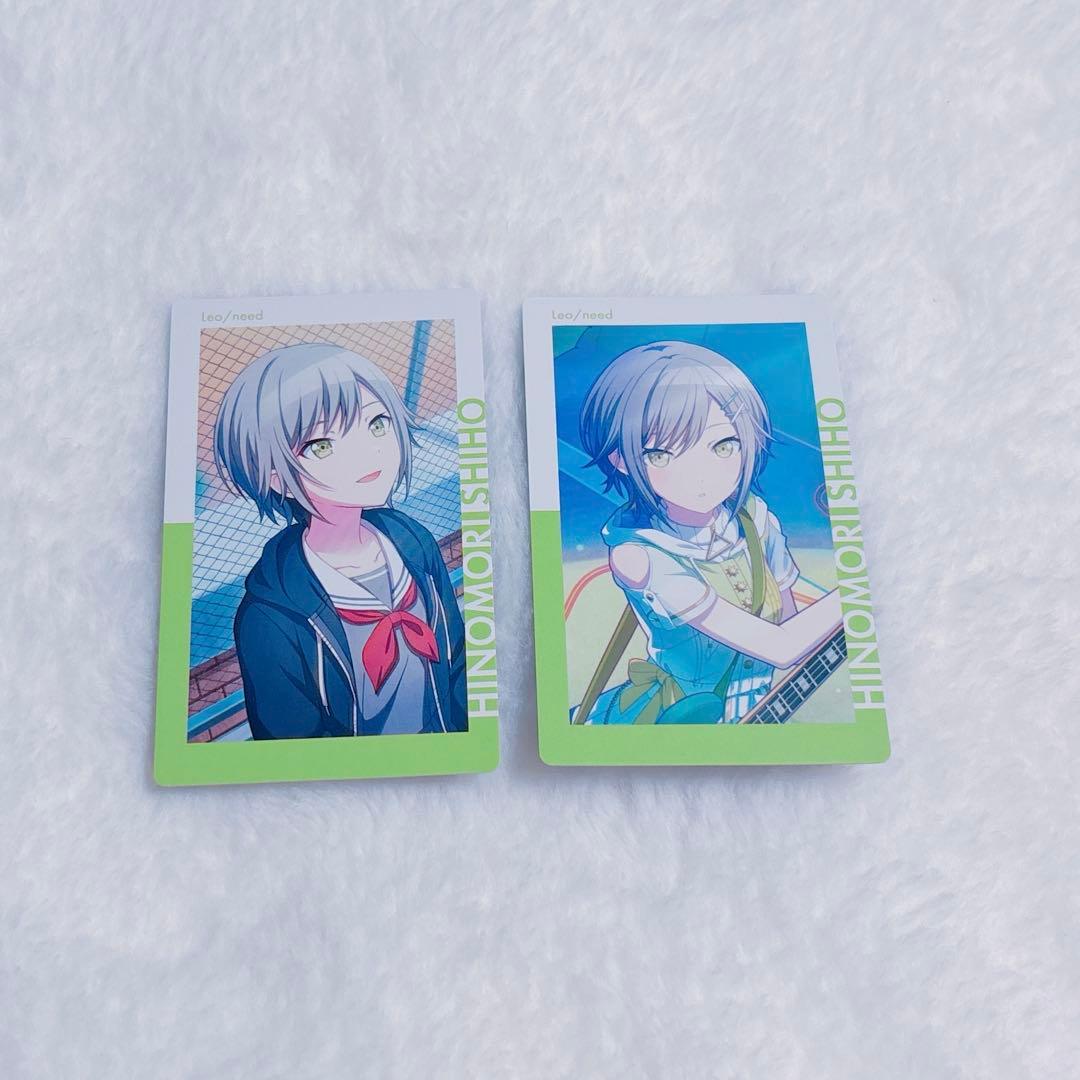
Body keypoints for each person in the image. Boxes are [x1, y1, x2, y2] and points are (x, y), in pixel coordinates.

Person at [575, 341, 842, 724]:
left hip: (756, 709)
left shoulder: (753, 518)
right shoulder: (639, 555)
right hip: (676, 721)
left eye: (723, 446)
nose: (701, 476)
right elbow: (781, 647)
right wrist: (858, 589)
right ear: (621, 460)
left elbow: (789, 624)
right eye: (661, 455)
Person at [213, 342, 466, 738]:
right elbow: (291, 748)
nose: (369, 453)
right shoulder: (268, 620)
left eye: (377, 424)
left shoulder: (414, 543)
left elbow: (458, 662)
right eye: (322, 446)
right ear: (276, 477)